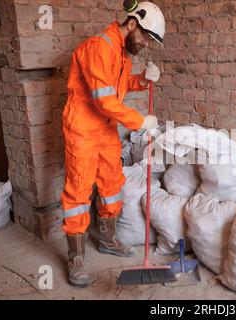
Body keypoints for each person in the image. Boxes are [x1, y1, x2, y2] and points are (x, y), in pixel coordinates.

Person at [60, 2, 165, 287]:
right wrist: (140, 122)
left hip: (106, 128)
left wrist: (142, 80)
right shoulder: (99, 47)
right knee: (79, 190)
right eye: (145, 37)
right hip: (82, 128)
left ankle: (107, 238)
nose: (144, 44)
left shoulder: (121, 52)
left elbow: (118, 86)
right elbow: (103, 98)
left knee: (111, 185)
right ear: (131, 23)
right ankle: (76, 257)